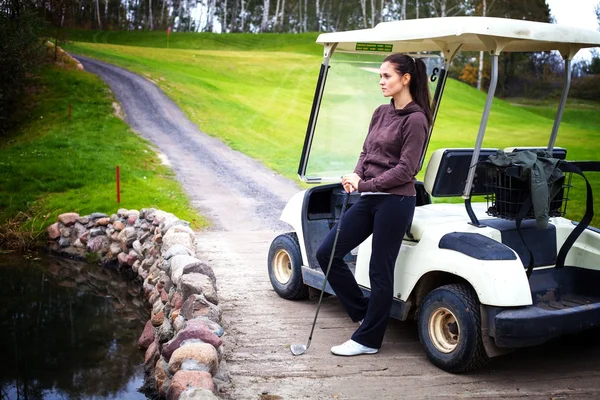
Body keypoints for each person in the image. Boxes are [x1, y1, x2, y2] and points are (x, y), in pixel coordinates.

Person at [315, 53, 432, 356]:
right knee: (327, 253)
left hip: (396, 202)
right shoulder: (381, 112)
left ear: (405, 79)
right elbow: (367, 152)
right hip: (371, 197)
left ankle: (368, 340)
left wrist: (364, 185)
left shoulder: (417, 119)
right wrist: (356, 173)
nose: (381, 82)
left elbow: (406, 170)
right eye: (379, 76)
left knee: (380, 269)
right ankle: (369, 313)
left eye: (387, 76)